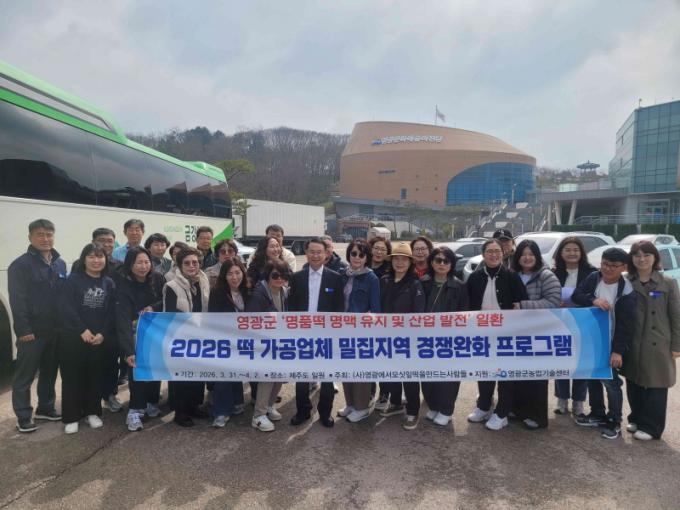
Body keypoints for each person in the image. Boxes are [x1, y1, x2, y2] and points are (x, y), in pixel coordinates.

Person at [9, 219, 67, 433]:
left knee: (49, 372)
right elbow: (17, 300)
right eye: (40, 235)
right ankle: (24, 416)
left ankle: (46, 407)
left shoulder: (60, 263)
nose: (45, 239)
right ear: (30, 237)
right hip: (32, 332)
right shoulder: (20, 265)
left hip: (55, 330)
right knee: (25, 376)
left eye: (49, 234)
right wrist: (23, 330)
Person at [572, 247, 635, 439]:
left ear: (624, 267)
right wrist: (593, 300)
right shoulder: (594, 278)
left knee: (611, 383)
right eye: (605, 264)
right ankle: (597, 413)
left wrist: (617, 351)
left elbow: (626, 326)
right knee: (592, 377)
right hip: (592, 340)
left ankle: (614, 420)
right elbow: (577, 295)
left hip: (611, 344)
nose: (608, 269)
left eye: (614, 266)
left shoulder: (627, 292)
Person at [466, 239, 527, 431]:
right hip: (482, 333)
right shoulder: (475, 277)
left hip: (507, 334)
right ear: (483, 254)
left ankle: (502, 413)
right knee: (484, 371)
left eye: (497, 251)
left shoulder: (511, 276)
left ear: (503, 253)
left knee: (504, 373)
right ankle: (484, 406)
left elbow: (522, 301)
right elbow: (468, 305)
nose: (494, 255)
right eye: (490, 251)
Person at [623, 241, 680, 440]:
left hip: (658, 342)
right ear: (631, 258)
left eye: (646, 255)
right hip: (633, 340)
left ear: (655, 257)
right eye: (637, 255)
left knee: (656, 384)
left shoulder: (668, 283)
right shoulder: (626, 281)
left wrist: (677, 345)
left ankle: (652, 427)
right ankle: (636, 418)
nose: (642, 259)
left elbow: (676, 316)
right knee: (634, 380)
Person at [59, 243, 115, 434]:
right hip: (74, 338)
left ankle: (93, 412)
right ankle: (71, 417)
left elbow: (111, 313)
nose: (96, 260)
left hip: (98, 339)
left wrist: (103, 333)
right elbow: (66, 307)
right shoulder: (73, 280)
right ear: (84, 259)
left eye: (100, 256)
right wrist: (81, 330)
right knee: (72, 378)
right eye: (91, 256)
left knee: (95, 377)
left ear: (105, 259)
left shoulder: (109, 283)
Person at [288, 238, 345, 427]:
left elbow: (339, 308)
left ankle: (325, 413)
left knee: (327, 376)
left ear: (326, 254)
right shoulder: (297, 277)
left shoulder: (335, 278)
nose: (315, 255)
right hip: (303, 334)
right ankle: (303, 411)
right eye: (311, 251)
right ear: (306, 253)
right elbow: (291, 307)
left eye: (319, 252)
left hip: (325, 334)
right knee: (302, 376)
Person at [71, 227, 123, 412]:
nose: (106, 244)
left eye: (110, 241)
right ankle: (85, 401)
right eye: (102, 240)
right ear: (93, 242)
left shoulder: (119, 265)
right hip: (85, 325)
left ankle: (109, 395)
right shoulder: (79, 265)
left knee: (111, 363)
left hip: (108, 325)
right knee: (86, 365)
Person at [511, 240, 562, 430]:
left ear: (537, 256)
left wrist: (524, 306)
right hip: (517, 332)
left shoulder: (546, 276)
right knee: (518, 374)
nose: (527, 258)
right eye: (523, 254)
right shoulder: (513, 274)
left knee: (536, 376)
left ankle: (537, 416)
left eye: (531, 254)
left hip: (539, 334)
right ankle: (518, 410)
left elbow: (553, 302)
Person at [116, 247, 165, 432]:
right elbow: (121, 319)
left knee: (155, 368)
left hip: (157, 332)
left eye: (146, 262)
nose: (143, 266)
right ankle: (135, 410)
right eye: (138, 263)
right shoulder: (123, 285)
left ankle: (152, 402)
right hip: (134, 334)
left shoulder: (158, 279)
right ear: (130, 265)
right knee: (137, 370)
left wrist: (153, 307)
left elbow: (166, 300)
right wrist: (128, 350)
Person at [379, 242, 426, 430]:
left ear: (410, 262)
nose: (399, 263)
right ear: (391, 261)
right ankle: (396, 402)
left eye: (404, 260)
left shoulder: (415, 284)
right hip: (386, 336)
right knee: (392, 372)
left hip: (408, 339)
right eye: (396, 259)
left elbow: (419, 313)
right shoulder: (384, 280)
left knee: (409, 375)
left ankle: (413, 411)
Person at [420, 246, 469, 427]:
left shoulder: (459, 286)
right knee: (427, 374)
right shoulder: (423, 282)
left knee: (448, 376)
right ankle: (433, 405)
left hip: (450, 339)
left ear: (451, 264)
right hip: (426, 338)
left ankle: (446, 410)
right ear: (431, 262)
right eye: (438, 260)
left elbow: (465, 314)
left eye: (446, 261)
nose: (442, 264)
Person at [163, 247, 211, 427]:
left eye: (195, 262)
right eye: (187, 263)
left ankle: (194, 406)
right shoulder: (171, 286)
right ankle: (180, 411)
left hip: (201, 335)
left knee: (197, 373)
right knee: (181, 375)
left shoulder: (204, 280)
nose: (192, 266)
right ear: (179, 265)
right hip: (181, 337)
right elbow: (170, 315)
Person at [552, 236, 597, 416]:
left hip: (584, 323)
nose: (572, 253)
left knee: (581, 362)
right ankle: (561, 399)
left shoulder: (592, 273)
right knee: (561, 360)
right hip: (560, 323)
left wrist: (581, 302)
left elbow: (595, 296)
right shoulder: (553, 273)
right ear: (561, 253)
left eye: (576, 250)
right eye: (568, 250)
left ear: (582, 253)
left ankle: (578, 402)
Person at [337, 239, 381, 423]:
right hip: (342, 330)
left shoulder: (371, 278)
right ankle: (350, 403)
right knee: (346, 368)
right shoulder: (342, 275)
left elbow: (376, 309)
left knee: (361, 370)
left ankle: (361, 407)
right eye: (354, 253)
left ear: (366, 258)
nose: (357, 257)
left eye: (361, 255)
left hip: (362, 332)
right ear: (349, 255)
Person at [245, 259, 291, 431]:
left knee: (280, 375)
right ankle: (258, 415)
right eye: (275, 275)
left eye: (283, 275)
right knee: (267, 377)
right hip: (264, 344)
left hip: (280, 342)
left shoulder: (284, 292)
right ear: (267, 275)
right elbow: (251, 321)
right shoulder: (259, 294)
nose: (279, 279)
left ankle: (269, 405)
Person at [207, 258, 251, 427]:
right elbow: (213, 318)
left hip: (245, 340)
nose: (234, 277)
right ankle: (221, 412)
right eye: (230, 274)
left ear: (243, 273)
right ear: (224, 276)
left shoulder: (249, 291)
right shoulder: (217, 293)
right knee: (223, 375)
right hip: (224, 340)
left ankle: (238, 402)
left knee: (237, 371)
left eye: (237, 273)